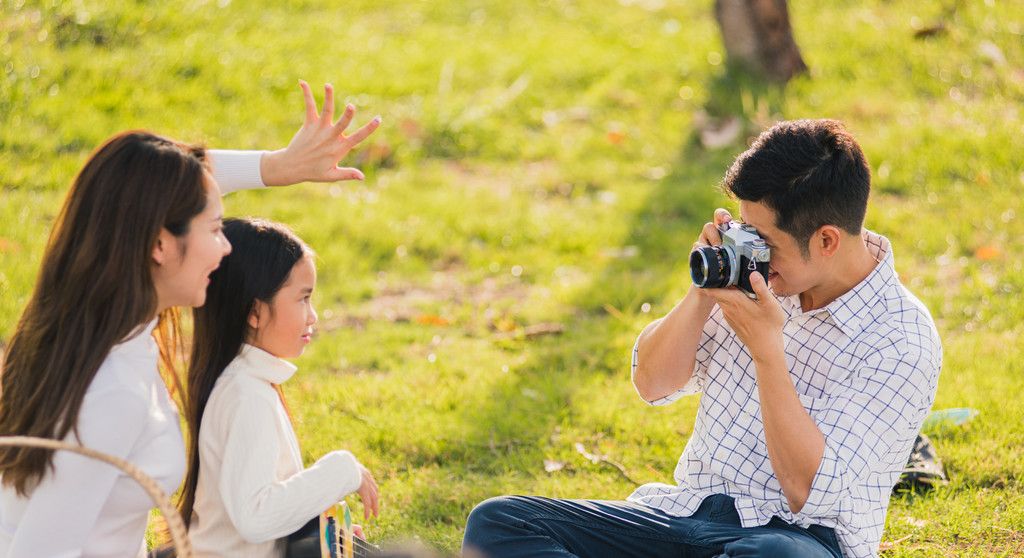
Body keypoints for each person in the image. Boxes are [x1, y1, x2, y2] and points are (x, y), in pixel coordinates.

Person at [463, 119, 941, 558]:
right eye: (742, 231)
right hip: (683, 516)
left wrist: (767, 353)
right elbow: (652, 383)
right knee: (499, 523)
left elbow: (807, 490)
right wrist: (704, 292)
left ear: (827, 240)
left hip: (796, 539)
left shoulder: (901, 339)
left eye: (764, 241)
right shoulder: (756, 277)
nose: (751, 252)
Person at [0, 81, 380, 557]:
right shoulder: (112, 389)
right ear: (159, 244)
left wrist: (273, 167)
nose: (225, 249)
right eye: (216, 229)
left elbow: (142, 188)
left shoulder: (97, 334)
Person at [180, 217, 379, 557]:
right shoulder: (246, 395)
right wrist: (342, 469)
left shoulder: (245, 384)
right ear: (255, 311)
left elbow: (258, 510)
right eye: (303, 299)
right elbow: (256, 516)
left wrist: (321, 531)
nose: (313, 315)